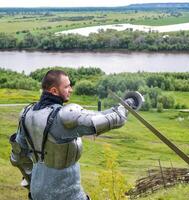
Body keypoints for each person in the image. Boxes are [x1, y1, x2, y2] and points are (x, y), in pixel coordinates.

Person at [9, 69, 142, 200]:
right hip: (66, 193)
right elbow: (114, 120)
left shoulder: (26, 113)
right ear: (54, 91)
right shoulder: (65, 116)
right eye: (66, 86)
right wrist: (129, 104)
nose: (71, 89)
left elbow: (18, 155)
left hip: (37, 191)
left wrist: (32, 182)